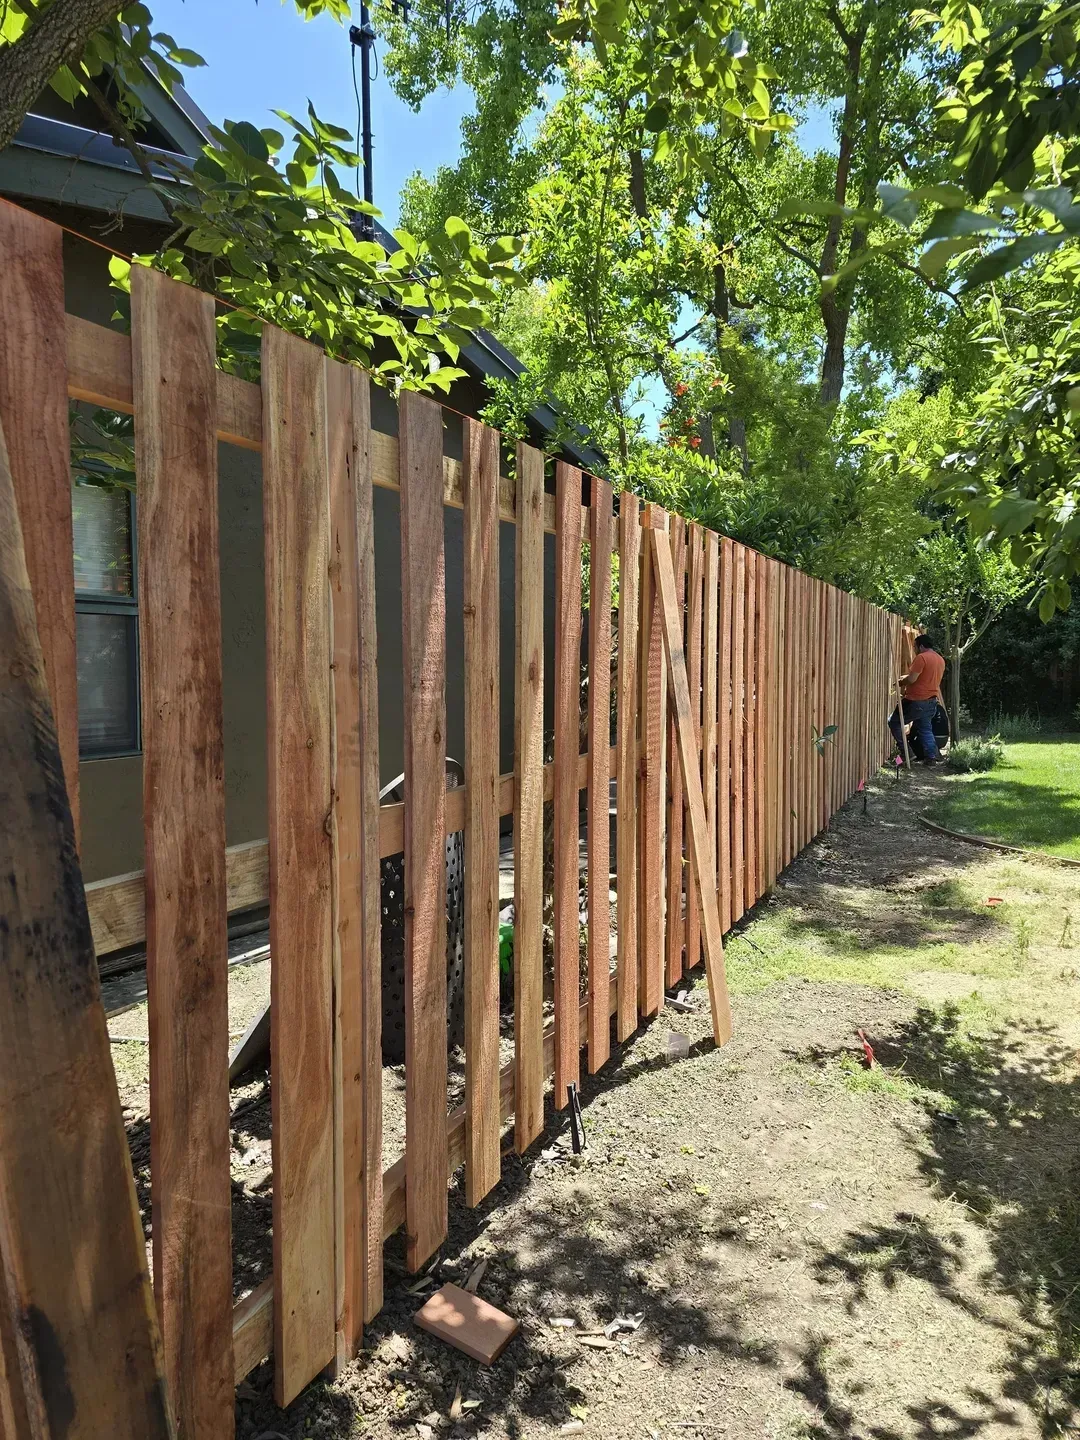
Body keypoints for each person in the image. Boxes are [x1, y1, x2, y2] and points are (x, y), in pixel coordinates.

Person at [889, 634, 946, 765]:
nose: (914, 649)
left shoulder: (921, 658)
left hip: (915, 700)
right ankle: (931, 758)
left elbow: (912, 679)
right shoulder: (940, 659)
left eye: (915, 646)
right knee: (925, 728)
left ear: (921, 646)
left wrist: (901, 682)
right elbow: (923, 677)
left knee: (894, 722)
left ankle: (907, 752)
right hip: (931, 701)